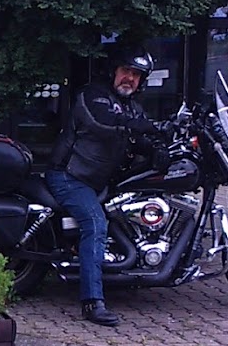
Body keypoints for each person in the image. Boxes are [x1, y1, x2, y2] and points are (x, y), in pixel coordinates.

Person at [46, 49, 163, 327]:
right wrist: (147, 127)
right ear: (113, 71)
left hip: (97, 180)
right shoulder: (93, 96)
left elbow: (138, 137)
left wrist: (160, 148)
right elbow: (104, 123)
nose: (130, 78)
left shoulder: (131, 107)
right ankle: (92, 302)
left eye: (136, 75)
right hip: (70, 177)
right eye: (126, 71)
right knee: (95, 223)